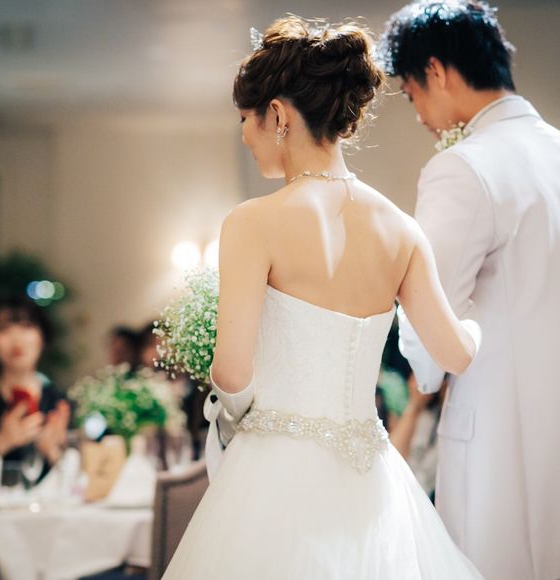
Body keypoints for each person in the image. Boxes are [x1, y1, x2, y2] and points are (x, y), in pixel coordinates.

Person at [163, 15, 483, 579]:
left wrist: (231, 421)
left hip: (272, 474)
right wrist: (478, 326)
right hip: (371, 478)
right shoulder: (402, 229)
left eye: (245, 119)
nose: (244, 135)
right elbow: (455, 354)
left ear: (277, 114)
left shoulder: (252, 222)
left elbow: (232, 372)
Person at [378, 2, 560, 579]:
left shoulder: (463, 168)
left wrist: (423, 368)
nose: (419, 116)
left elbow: (429, 330)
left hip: (498, 446)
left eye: (411, 94)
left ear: (436, 71)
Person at [0, 296, 70, 482]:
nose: (16, 338)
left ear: (42, 337)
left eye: (26, 326)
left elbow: (75, 483)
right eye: (3, 328)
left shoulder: (57, 401)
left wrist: (52, 452)